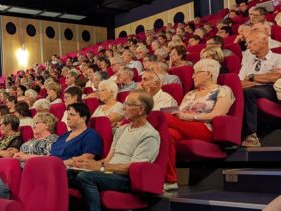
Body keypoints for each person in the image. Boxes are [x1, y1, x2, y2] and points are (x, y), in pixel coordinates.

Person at [70, 90, 160, 211]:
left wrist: (99, 167)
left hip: (127, 178)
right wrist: (87, 165)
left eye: (128, 104)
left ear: (141, 109)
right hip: (110, 173)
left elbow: (133, 169)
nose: (123, 107)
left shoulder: (149, 135)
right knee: (67, 174)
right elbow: (108, 159)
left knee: (85, 177)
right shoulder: (121, 129)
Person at [165, 59, 235, 190]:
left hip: (205, 128)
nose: (192, 76)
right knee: (167, 134)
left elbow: (217, 114)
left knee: (163, 117)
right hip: (184, 127)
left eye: (195, 73)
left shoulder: (223, 90)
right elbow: (179, 115)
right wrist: (181, 117)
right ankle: (171, 180)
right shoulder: (190, 94)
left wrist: (190, 117)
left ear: (208, 74)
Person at [239, 32, 281, 147]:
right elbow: (240, 82)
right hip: (252, 89)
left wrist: (251, 77)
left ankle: (250, 135)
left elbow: (275, 77)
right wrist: (265, 78)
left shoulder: (278, 58)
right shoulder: (247, 62)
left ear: (264, 39)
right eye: (247, 44)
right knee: (241, 91)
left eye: (251, 42)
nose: (247, 46)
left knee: (248, 91)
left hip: (272, 90)